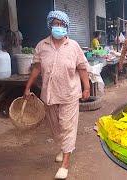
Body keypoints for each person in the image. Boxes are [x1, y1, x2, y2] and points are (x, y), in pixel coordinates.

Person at [23, 11, 90, 179]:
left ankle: (65, 164)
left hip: (69, 94)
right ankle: (63, 147)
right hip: (50, 94)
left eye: (61, 24)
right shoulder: (42, 46)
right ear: (50, 25)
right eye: (55, 24)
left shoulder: (74, 46)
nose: (58, 27)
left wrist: (86, 88)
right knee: (55, 128)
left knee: (67, 126)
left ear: (66, 27)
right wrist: (27, 87)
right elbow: (37, 68)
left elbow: (82, 68)